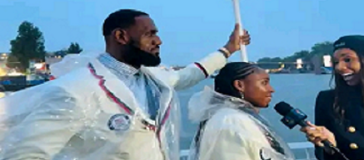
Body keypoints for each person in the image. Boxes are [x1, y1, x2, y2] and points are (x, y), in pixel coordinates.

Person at [0, 9, 250, 160]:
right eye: (150, 33)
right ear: (121, 36)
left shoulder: (154, 79)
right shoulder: (75, 91)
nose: (159, 40)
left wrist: (228, 49)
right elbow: (25, 155)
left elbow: (189, 75)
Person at [301, 35, 364, 160]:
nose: (339, 68)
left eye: (347, 60)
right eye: (336, 62)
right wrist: (330, 145)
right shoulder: (329, 101)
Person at [187, 62, 295, 160]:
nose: (271, 89)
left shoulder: (236, 117)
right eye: (264, 83)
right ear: (239, 85)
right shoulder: (230, 121)